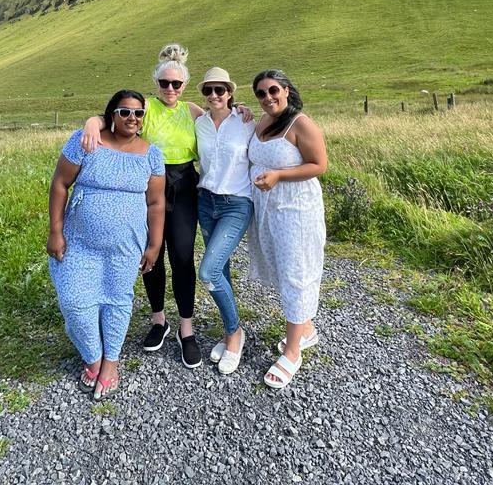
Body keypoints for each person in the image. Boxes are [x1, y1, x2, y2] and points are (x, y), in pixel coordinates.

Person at [83, 44, 205, 368]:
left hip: (184, 185)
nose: (170, 89)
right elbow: (113, 114)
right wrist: (92, 123)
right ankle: (158, 320)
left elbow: (221, 122)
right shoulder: (145, 108)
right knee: (151, 253)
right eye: (164, 83)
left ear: (184, 85)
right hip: (149, 183)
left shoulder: (192, 111)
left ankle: (186, 329)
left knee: (181, 256)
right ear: (156, 83)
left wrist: (243, 112)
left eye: (176, 84)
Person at [48, 90, 165, 400]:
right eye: (124, 112)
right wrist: (55, 231)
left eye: (138, 113)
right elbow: (60, 184)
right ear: (112, 114)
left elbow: (155, 202)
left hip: (126, 245)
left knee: (117, 300)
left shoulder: (151, 154)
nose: (131, 118)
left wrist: (154, 245)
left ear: (143, 119)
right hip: (79, 241)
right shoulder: (87, 140)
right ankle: (93, 356)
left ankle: (110, 362)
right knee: (75, 302)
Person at [247, 69, 328, 389]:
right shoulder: (261, 122)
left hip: (296, 209)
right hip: (267, 209)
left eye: (273, 90)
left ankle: (293, 351)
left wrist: (279, 176)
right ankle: (305, 329)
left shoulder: (300, 123)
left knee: (297, 272)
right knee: (282, 269)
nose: (268, 98)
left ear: (287, 90)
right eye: (261, 94)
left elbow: (319, 164)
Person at [194, 67, 255, 375]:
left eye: (220, 90)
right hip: (206, 202)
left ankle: (234, 334)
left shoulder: (247, 121)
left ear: (230, 92)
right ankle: (229, 330)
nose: (214, 95)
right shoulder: (199, 122)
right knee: (223, 271)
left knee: (208, 270)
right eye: (208, 90)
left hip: (237, 203)